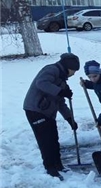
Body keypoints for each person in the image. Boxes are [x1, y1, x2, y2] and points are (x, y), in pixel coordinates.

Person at [23, 52, 80, 180]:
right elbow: (41, 83)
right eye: (74, 70)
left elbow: (60, 103)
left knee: (54, 138)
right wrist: (60, 91)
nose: (74, 73)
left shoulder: (62, 80)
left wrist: (70, 119)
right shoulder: (51, 70)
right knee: (46, 140)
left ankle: (58, 165)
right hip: (35, 109)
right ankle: (50, 168)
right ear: (68, 67)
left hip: (47, 112)